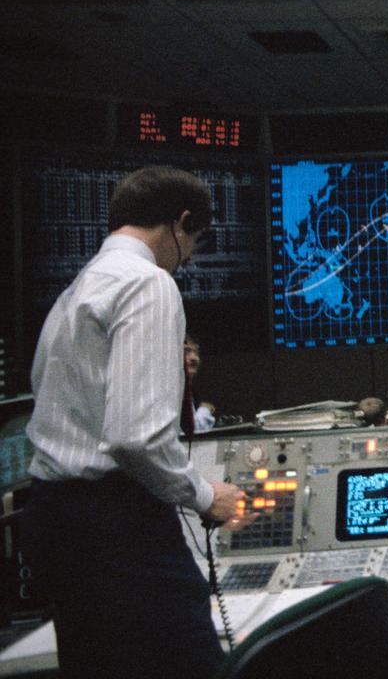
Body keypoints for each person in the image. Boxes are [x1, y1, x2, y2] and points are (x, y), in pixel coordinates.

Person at [23, 165, 248, 679]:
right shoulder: (149, 283)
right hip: (116, 527)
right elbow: (136, 437)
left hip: (57, 518)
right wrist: (204, 494)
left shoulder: (79, 288)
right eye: (193, 241)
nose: (188, 258)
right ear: (181, 221)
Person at [184, 333, 218, 431]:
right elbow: (192, 430)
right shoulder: (168, 389)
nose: (195, 358)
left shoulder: (187, 390)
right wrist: (206, 409)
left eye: (197, 352)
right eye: (186, 351)